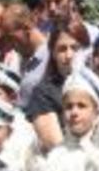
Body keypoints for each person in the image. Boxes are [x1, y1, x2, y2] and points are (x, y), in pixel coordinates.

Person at [24, 20, 91, 152]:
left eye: (75, 48)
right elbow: (56, 147)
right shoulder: (43, 93)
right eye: (62, 49)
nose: (69, 55)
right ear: (53, 53)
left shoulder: (98, 85)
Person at [0, 1, 49, 107]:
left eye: (11, 38)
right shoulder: (23, 58)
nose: (9, 44)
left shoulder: (51, 58)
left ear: (27, 28)